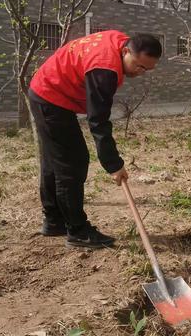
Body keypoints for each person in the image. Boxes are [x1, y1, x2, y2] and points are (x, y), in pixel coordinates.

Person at [29, 31, 162, 249]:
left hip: (48, 91)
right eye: (139, 66)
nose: (141, 72)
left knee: (55, 161)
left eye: (148, 69)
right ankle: (77, 231)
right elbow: (98, 120)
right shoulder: (105, 68)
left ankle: (54, 221)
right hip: (50, 96)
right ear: (126, 51)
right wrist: (114, 165)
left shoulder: (119, 42)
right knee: (71, 163)